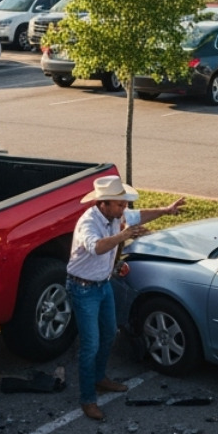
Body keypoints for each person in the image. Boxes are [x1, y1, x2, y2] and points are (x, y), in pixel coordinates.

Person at [67, 176, 185, 421]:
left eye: (124, 205)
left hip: (102, 284)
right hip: (83, 289)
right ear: (103, 203)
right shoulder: (87, 223)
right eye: (119, 205)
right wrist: (124, 236)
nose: (124, 210)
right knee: (90, 344)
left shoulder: (114, 215)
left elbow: (138, 216)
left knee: (109, 333)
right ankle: (88, 399)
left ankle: (99, 378)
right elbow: (96, 247)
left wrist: (166, 210)